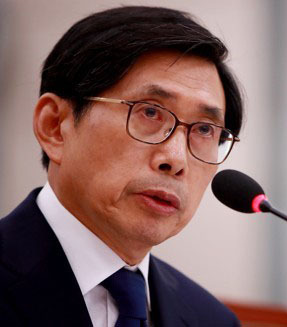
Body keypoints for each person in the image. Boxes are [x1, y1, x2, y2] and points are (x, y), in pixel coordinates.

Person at [0, 6, 243, 327]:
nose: (176, 159)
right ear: (55, 126)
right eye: (150, 113)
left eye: (203, 130)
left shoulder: (213, 320)